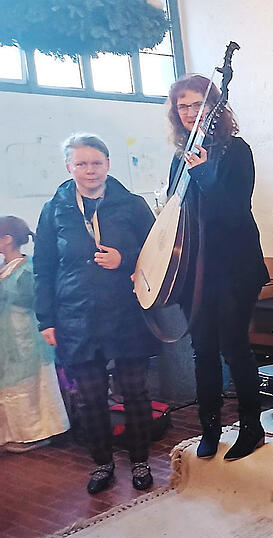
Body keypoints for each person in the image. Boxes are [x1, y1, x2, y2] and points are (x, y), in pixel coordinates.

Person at [33, 134, 159, 494]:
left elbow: (160, 255)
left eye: (97, 163)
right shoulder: (53, 210)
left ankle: (140, 460)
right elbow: (43, 266)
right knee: (89, 398)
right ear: (68, 167)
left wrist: (125, 260)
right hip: (75, 317)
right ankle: (102, 463)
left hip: (125, 312)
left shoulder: (132, 205)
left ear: (108, 164)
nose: (90, 170)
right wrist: (47, 320)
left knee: (135, 392)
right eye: (81, 163)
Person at [166, 74, 269, 461]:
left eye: (198, 104)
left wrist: (206, 172)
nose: (190, 112)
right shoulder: (179, 156)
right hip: (194, 271)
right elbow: (176, 211)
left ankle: (251, 426)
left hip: (234, 268)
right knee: (202, 349)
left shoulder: (236, 151)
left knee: (234, 347)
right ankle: (209, 427)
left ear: (213, 109)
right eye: (183, 106)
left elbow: (235, 212)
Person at [0, 216, 70, 453]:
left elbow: (38, 303)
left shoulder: (27, 270)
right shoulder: (4, 270)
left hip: (27, 340)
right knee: (10, 389)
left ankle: (37, 434)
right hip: (7, 342)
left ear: (7, 239)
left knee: (31, 388)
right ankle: (15, 433)